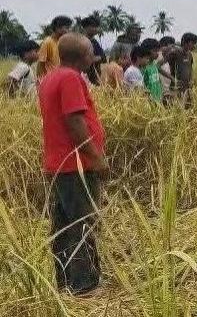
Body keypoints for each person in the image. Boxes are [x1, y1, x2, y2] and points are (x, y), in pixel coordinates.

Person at [38, 32, 109, 296]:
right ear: (82, 56)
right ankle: (84, 286)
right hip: (75, 165)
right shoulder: (70, 78)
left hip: (58, 164)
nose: (94, 56)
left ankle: (66, 282)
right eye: (91, 51)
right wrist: (96, 157)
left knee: (64, 225)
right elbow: (75, 122)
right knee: (82, 223)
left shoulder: (50, 77)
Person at [163, 32, 197, 106]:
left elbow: (190, 68)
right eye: (193, 43)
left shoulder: (190, 55)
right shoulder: (174, 53)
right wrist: (173, 79)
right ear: (185, 43)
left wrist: (191, 79)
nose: (194, 45)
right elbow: (158, 66)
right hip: (176, 89)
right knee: (176, 110)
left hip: (187, 89)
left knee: (188, 110)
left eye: (195, 43)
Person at [37, 15, 73, 79]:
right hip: (49, 79)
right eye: (67, 28)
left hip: (59, 79)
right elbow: (41, 64)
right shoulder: (47, 42)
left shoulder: (63, 42)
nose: (68, 30)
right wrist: (41, 81)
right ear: (58, 28)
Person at [79, 16, 106, 85]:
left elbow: (104, 58)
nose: (96, 29)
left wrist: (93, 59)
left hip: (95, 76)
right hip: (83, 76)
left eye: (97, 27)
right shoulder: (79, 41)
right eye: (93, 26)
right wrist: (93, 58)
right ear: (86, 27)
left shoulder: (94, 42)